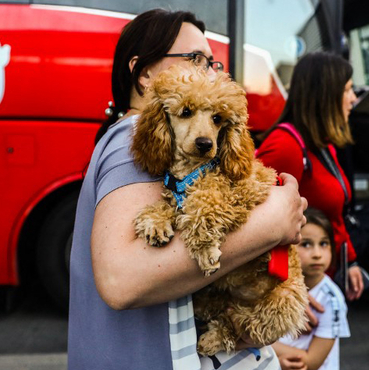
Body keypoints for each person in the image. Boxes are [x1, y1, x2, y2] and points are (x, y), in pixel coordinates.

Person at [68, 9, 308, 370]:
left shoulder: (148, 143)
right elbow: (121, 280)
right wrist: (275, 220)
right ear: (145, 74)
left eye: (212, 63)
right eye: (196, 59)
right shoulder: (135, 137)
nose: (209, 72)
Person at [257, 52, 365, 301]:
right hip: (296, 290)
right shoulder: (286, 145)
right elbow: (259, 228)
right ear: (326, 95)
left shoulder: (322, 143)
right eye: (347, 90)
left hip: (320, 280)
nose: (353, 99)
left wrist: (351, 260)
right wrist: (284, 293)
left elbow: (334, 216)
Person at [273, 208, 351, 370]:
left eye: (324, 244)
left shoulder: (331, 299)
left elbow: (310, 361)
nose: (317, 254)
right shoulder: (275, 287)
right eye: (306, 244)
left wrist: (264, 348)